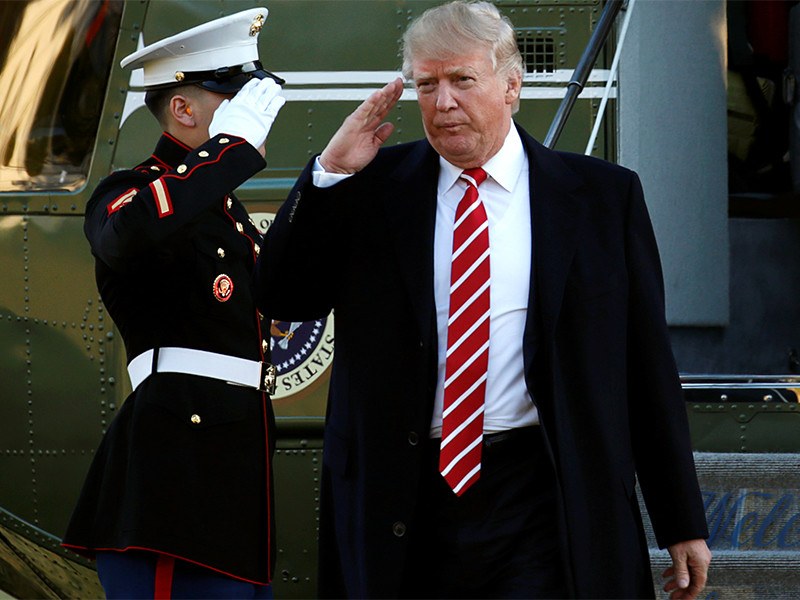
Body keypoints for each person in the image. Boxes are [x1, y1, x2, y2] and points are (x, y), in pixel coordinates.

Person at [257, 1, 711, 599]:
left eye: (462, 80)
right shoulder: (368, 189)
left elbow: (647, 365)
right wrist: (330, 173)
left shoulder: (602, 197)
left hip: (542, 492)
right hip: (404, 498)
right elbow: (283, 296)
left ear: (511, 86)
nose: (443, 101)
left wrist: (680, 519)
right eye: (427, 85)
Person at [61, 8, 285, 599]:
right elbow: (127, 235)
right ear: (184, 109)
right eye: (234, 100)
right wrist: (231, 149)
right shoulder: (130, 191)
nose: (254, 114)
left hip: (233, 480)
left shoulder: (227, 214)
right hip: (173, 482)